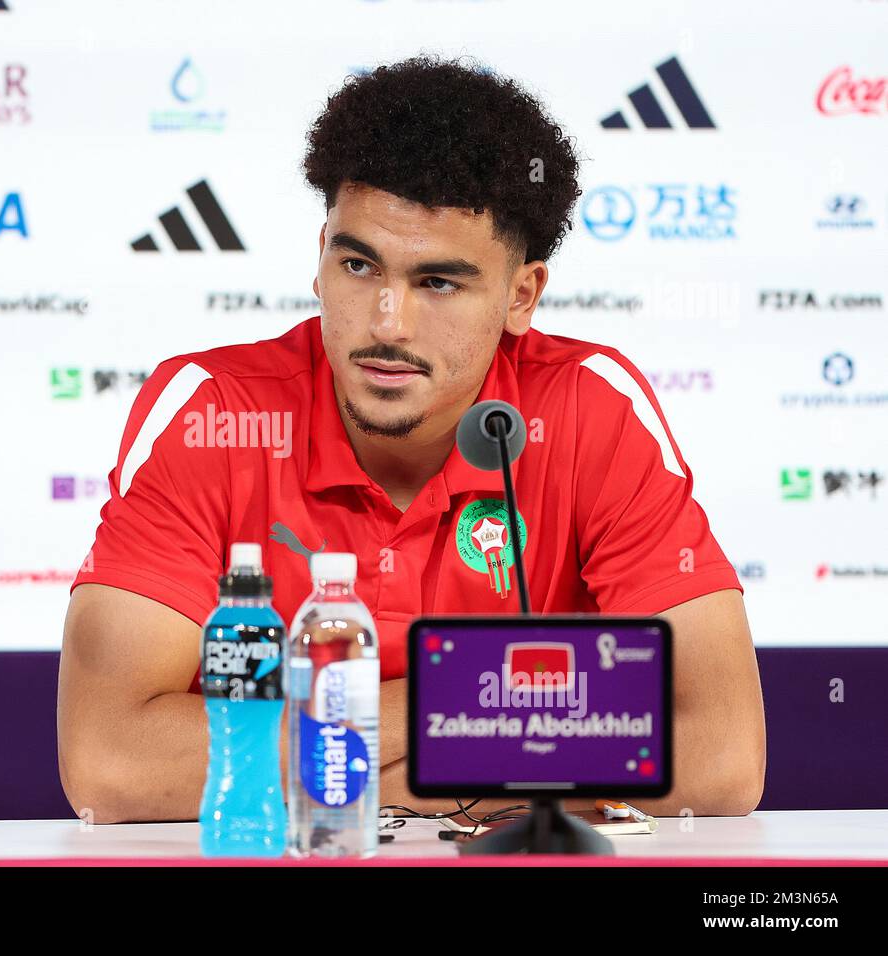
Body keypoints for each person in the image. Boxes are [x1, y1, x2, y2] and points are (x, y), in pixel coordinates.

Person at [57, 55, 765, 824]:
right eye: (358, 264)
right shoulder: (211, 412)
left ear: (521, 295)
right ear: (320, 257)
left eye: (439, 283)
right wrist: (451, 710)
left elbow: (722, 755)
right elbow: (110, 762)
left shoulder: (592, 411)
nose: (387, 323)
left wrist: (352, 764)